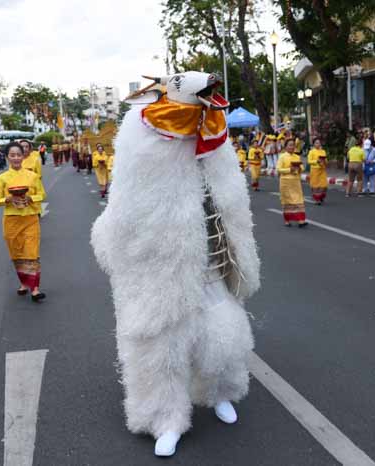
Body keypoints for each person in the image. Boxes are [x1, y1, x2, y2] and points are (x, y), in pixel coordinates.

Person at [91, 71, 260, 457]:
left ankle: (219, 390)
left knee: (224, 331)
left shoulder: (216, 133)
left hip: (211, 255)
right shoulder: (144, 133)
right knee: (159, 341)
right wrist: (121, 244)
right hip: (161, 262)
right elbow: (126, 202)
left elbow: (231, 195)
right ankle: (162, 418)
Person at [0, 142, 47, 301]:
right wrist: (8, 199)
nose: (16, 158)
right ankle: (24, 283)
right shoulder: (3, 178)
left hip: (30, 218)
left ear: (23, 156)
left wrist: (31, 198)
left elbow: (42, 195)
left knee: (32, 253)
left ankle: (35, 288)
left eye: (19, 154)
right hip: (11, 220)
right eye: (12, 155)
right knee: (17, 254)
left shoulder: (32, 176)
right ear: (8, 157)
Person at [277, 139, 308, 227]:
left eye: (293, 145)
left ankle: (301, 220)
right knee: (287, 201)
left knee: (298, 200)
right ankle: (287, 220)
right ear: (286, 147)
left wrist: (299, 168)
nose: (292, 147)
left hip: (295, 181)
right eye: (290, 145)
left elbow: (302, 167)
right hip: (285, 182)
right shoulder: (282, 156)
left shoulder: (297, 157)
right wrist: (289, 169)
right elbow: (278, 169)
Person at [307, 138, 328, 203]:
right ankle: (317, 199)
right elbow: (309, 161)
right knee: (315, 185)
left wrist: (324, 161)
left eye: (319, 143)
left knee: (324, 185)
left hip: (322, 170)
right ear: (313, 144)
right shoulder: (311, 152)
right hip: (314, 170)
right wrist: (316, 161)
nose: (318, 144)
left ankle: (321, 196)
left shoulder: (323, 151)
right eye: (316, 143)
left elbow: (326, 161)